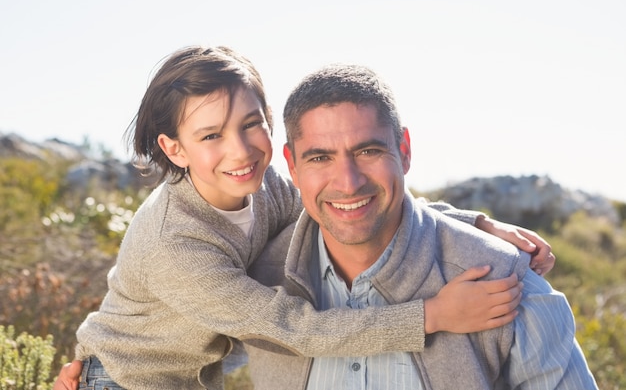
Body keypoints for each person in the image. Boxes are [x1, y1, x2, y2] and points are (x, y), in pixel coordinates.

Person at [53, 46, 554, 390]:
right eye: (210, 136)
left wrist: (475, 224)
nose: (241, 150)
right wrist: (433, 317)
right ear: (173, 149)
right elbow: (292, 329)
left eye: (251, 125)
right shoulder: (176, 244)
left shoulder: (264, 186)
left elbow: (350, 202)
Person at [242, 63, 598, 389]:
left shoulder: (508, 284)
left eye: (368, 152)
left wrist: (473, 227)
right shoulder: (255, 279)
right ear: (292, 166)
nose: (348, 183)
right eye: (320, 157)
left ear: (405, 151)